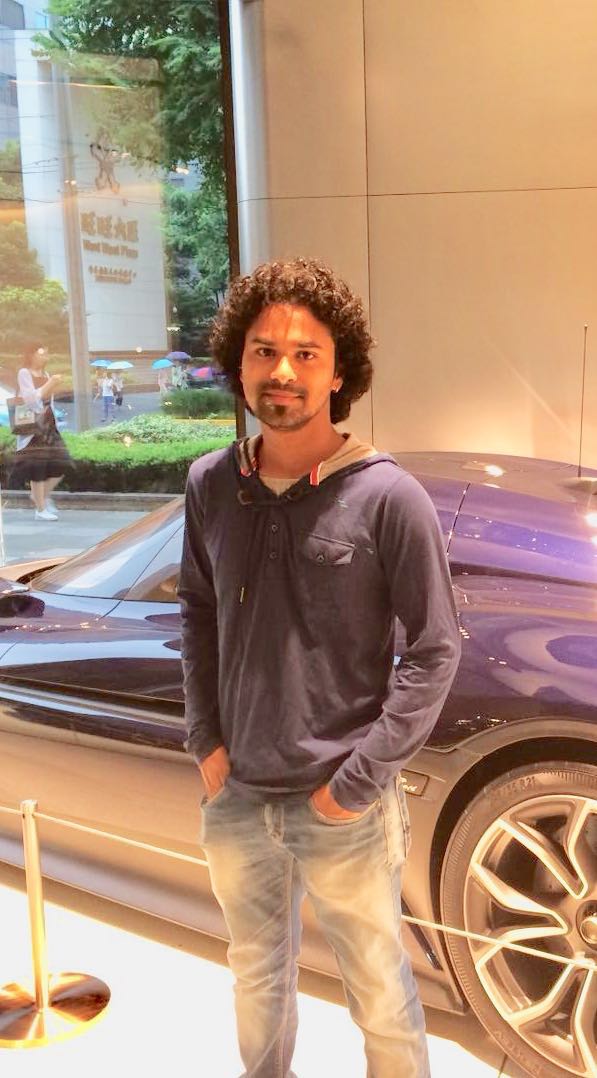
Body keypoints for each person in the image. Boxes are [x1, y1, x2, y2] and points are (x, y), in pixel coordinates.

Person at [178, 258, 461, 1078]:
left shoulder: (387, 496)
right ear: (239, 364)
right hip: (237, 796)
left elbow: (435, 649)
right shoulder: (210, 484)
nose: (283, 371)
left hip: (343, 806)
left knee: (379, 990)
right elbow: (196, 613)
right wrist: (205, 741)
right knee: (255, 977)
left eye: (305, 354)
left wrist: (357, 784)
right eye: (264, 351)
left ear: (339, 374)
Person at [11, 343, 72, 521]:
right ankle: (40, 509)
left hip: (48, 425)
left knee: (63, 462)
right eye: (41, 353)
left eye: (46, 353)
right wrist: (50, 383)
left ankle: (40, 497)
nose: (45, 357)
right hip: (33, 427)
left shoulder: (45, 374)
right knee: (37, 469)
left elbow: (48, 401)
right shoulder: (24, 373)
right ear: (31, 355)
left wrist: (52, 383)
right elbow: (30, 400)